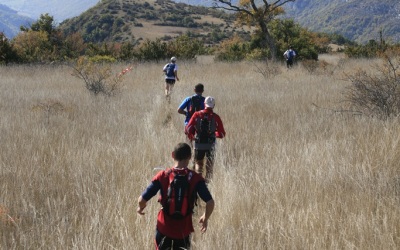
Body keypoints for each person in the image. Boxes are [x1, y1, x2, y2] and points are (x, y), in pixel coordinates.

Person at [137, 142, 215, 250]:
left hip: (163, 228)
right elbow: (210, 203)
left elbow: (142, 199)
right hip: (183, 231)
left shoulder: (163, 175)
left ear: (173, 155)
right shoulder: (195, 178)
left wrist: (141, 207)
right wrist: (205, 218)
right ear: (190, 157)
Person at [185, 96, 225, 181]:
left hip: (199, 143)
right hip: (211, 144)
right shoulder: (216, 117)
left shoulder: (196, 114)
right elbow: (222, 134)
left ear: (204, 104)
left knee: (198, 163)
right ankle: (207, 184)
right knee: (209, 166)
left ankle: (198, 182)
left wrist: (192, 137)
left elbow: (187, 129)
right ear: (213, 106)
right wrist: (214, 134)